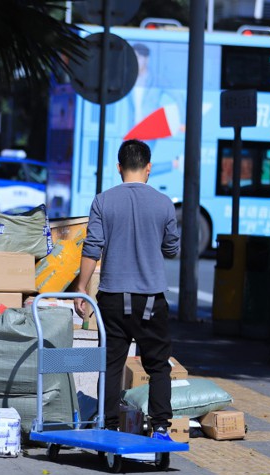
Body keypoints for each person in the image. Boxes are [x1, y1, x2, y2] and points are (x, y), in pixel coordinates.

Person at [73, 139, 180, 439]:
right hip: (151, 300)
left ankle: (107, 427)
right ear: (148, 168)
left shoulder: (103, 201)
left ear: (119, 168)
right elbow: (172, 248)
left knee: (109, 364)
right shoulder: (164, 203)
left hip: (112, 299)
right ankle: (160, 428)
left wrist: (82, 289)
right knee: (158, 365)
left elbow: (92, 249)